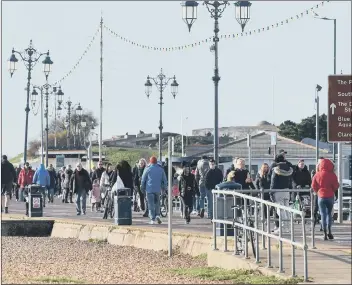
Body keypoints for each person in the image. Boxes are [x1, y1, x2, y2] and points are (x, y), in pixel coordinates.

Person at [311, 159, 339, 240]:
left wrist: (318, 192)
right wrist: (332, 190)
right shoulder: (332, 175)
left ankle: (324, 233)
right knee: (329, 214)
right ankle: (330, 231)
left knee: (322, 214)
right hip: (330, 196)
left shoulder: (317, 174)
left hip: (321, 196)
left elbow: (313, 185)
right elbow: (336, 186)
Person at [270, 154, 293, 234]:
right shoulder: (289, 169)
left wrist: (271, 191)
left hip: (278, 191)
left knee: (280, 209)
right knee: (287, 209)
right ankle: (288, 227)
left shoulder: (276, 169)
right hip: (287, 191)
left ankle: (282, 226)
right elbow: (290, 181)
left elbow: (273, 181)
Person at [141, 156, 168, 225]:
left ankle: (152, 218)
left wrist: (142, 187)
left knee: (151, 204)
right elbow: (164, 179)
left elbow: (143, 179)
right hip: (157, 189)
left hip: (149, 189)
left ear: (150, 162)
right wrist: (165, 188)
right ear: (156, 162)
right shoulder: (161, 169)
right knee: (157, 203)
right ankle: (158, 215)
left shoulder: (148, 168)